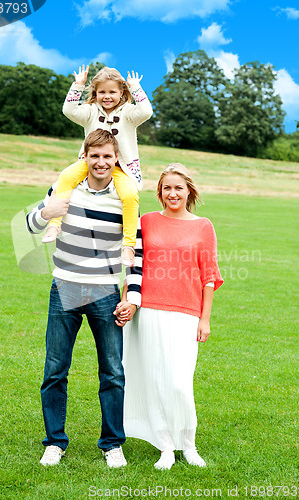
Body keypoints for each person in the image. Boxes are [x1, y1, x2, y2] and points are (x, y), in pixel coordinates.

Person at [26, 130, 142, 468]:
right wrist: (48, 213)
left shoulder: (125, 196)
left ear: (116, 159)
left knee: (112, 372)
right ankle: (54, 442)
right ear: (85, 157)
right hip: (64, 287)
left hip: (105, 291)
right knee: (55, 369)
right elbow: (30, 224)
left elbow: (136, 250)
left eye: (108, 157)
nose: (101, 162)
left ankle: (112, 444)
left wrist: (131, 297)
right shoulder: (66, 186)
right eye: (95, 156)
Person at [115, 163, 223, 470]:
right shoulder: (146, 222)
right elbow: (134, 266)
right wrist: (126, 302)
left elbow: (210, 276)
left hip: (186, 313)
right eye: (166, 188)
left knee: (179, 381)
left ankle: (187, 444)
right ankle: (164, 444)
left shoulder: (203, 226)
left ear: (189, 190)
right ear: (159, 192)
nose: (172, 193)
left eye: (178, 187)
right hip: (148, 311)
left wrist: (205, 319)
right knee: (154, 379)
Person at [42, 65, 153, 268]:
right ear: (95, 93)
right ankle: (54, 224)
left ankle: (128, 246)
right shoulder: (91, 112)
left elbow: (146, 111)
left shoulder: (129, 113)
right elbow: (69, 110)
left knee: (130, 195)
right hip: (90, 163)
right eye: (102, 91)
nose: (107, 96)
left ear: (122, 92)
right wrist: (78, 85)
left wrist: (136, 87)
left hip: (121, 168)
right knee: (65, 178)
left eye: (112, 92)